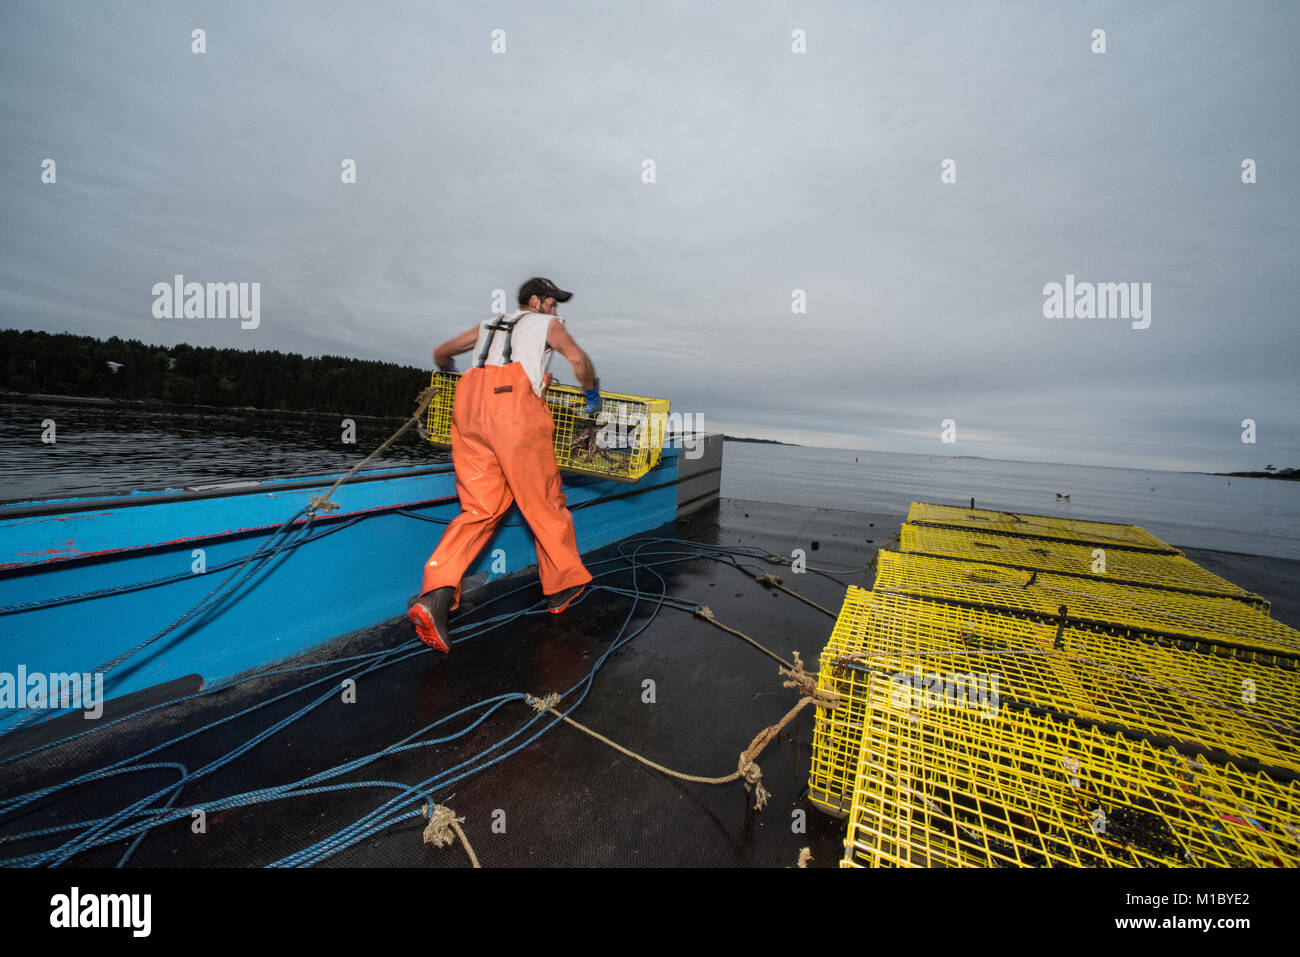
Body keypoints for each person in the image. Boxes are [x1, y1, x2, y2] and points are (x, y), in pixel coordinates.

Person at [407, 277, 600, 652]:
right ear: (535, 301)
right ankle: (563, 588)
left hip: (468, 413)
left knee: (480, 509)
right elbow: (578, 360)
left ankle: (434, 595)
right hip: (514, 415)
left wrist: (448, 370)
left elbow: (441, 352)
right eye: (552, 303)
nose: (556, 310)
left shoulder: (486, 326)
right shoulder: (547, 325)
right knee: (543, 503)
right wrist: (592, 395)